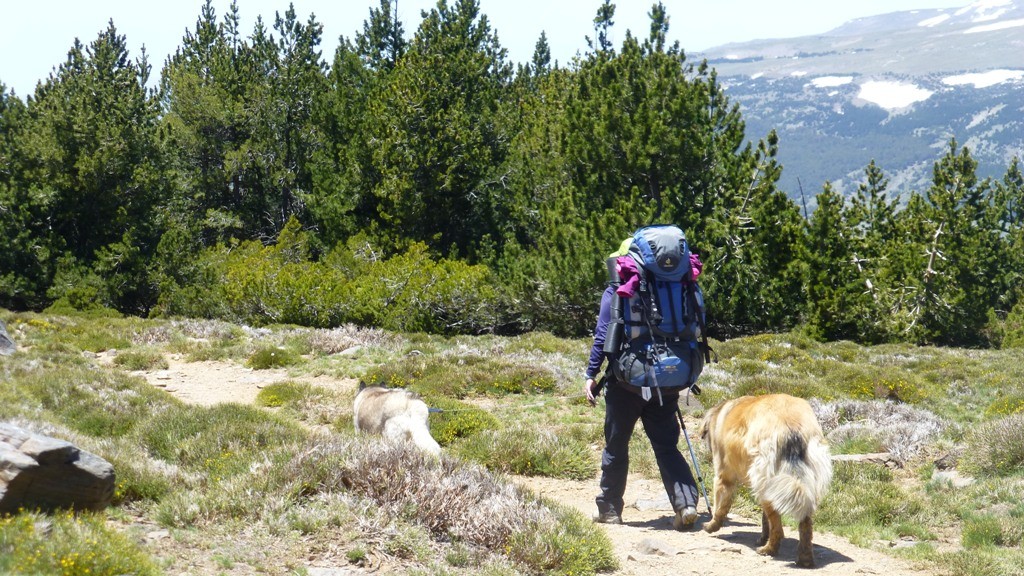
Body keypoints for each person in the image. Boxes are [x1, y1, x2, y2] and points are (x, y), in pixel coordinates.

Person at [584, 239, 700, 530]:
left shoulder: (617, 291)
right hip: (669, 379)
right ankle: (685, 503)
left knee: (616, 444)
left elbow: (602, 336)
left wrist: (591, 374)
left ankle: (610, 509)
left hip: (626, 383)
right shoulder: (676, 288)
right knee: (666, 446)